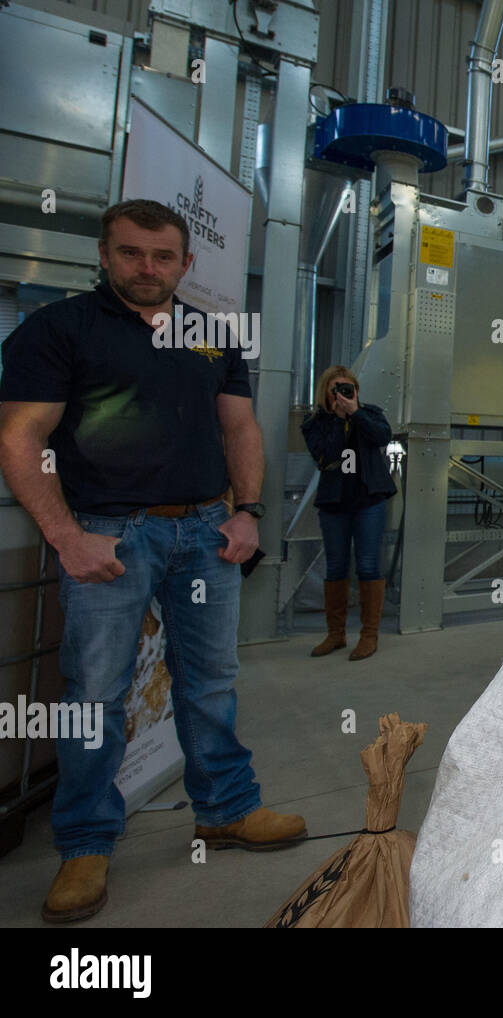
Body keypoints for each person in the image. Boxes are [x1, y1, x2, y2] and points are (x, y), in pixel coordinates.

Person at [0, 199, 306, 924]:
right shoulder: (57, 329)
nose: (147, 268)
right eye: (132, 253)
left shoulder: (210, 332)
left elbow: (239, 426)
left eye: (162, 257)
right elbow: (19, 436)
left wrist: (247, 512)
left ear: (184, 264)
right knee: (94, 695)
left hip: (205, 532)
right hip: (110, 534)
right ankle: (85, 843)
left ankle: (226, 810)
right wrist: (67, 537)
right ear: (105, 256)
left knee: (210, 683)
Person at [300, 365, 396, 660]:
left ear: (356, 391)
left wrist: (355, 413)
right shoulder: (315, 422)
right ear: (325, 392)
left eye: (348, 388)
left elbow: (382, 436)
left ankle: (369, 635)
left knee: (368, 566)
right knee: (336, 567)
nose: (342, 394)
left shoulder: (370, 414)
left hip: (369, 501)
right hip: (334, 503)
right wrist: (337, 420)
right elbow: (325, 455)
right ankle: (336, 635)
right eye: (336, 389)